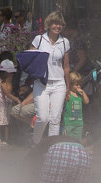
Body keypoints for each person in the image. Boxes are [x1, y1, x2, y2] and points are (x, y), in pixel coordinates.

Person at [29, 10, 71, 144]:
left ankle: (51, 148)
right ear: (49, 24)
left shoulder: (65, 42)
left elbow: (66, 66)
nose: (57, 26)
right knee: (43, 117)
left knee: (55, 119)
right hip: (42, 83)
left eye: (60, 24)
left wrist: (68, 88)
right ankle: (35, 144)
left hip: (59, 84)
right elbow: (29, 59)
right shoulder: (39, 39)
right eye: (55, 23)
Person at [62, 71, 88, 140]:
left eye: (80, 84)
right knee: (67, 140)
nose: (79, 86)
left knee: (77, 141)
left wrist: (83, 92)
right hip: (68, 123)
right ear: (70, 84)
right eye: (76, 84)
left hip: (78, 123)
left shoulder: (80, 94)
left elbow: (86, 101)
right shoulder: (68, 94)